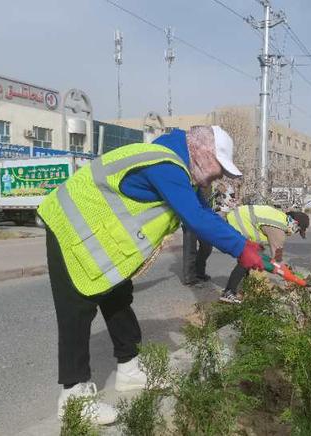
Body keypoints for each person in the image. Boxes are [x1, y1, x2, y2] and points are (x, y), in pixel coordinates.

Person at [37, 126, 265, 425]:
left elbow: (203, 212)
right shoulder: (166, 165)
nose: (218, 177)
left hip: (96, 237)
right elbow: (195, 218)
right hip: (69, 226)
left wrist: (244, 244)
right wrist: (240, 249)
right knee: (76, 313)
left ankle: (129, 370)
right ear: (202, 152)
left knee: (118, 296)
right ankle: (74, 400)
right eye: (218, 168)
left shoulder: (178, 168)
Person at [220, 205, 310, 303]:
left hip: (238, 216)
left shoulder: (280, 219)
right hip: (238, 222)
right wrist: (291, 277)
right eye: (298, 230)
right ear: (295, 224)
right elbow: (277, 260)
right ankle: (229, 292)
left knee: (253, 256)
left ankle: (246, 287)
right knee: (247, 259)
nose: (294, 233)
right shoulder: (279, 230)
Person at [182, 185, 213, 286]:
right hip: (189, 219)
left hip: (203, 219)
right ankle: (189, 277)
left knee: (207, 246)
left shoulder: (204, 186)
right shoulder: (188, 184)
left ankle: (199, 272)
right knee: (190, 249)